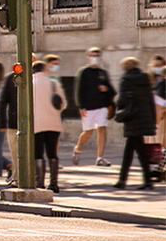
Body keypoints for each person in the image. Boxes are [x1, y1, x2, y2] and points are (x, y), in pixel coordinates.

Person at [114, 57, 157, 190]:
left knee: (138, 151)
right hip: (144, 117)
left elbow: (122, 100)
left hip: (132, 118)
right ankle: (127, 180)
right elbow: (151, 100)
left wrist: (118, 109)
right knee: (133, 150)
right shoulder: (145, 79)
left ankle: (126, 181)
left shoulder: (126, 80)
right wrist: (152, 119)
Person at [72, 47, 116, 167]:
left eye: (97, 55)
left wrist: (106, 89)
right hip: (88, 108)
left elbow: (112, 91)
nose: (95, 58)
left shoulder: (103, 73)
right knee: (88, 133)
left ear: (100, 57)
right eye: (92, 55)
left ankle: (100, 157)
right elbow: (79, 90)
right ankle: (78, 148)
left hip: (102, 106)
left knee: (102, 129)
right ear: (88, 57)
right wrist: (80, 106)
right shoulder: (83, 72)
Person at [32, 61, 68, 192]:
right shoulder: (54, 83)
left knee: (38, 153)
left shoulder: (30, 84)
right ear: (44, 70)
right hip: (53, 123)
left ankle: (39, 182)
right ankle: (54, 183)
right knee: (52, 153)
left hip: (36, 123)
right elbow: (63, 104)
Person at [0, 67, 21, 185]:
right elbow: (3, 101)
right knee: (15, 151)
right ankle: (17, 177)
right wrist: (2, 122)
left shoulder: (36, 77)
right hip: (14, 122)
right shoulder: (11, 78)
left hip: (35, 122)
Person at [149, 54, 166, 147]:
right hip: (156, 105)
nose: (158, 68)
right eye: (156, 66)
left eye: (160, 66)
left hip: (161, 103)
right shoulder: (150, 77)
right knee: (157, 129)